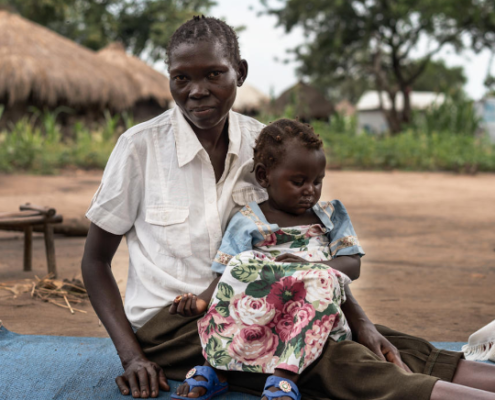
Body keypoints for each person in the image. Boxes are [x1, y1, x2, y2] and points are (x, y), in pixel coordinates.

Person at [81, 15, 495, 400]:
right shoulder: (139, 149)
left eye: (214, 74)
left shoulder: (268, 146)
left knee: (383, 342)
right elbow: (95, 262)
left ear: (239, 73)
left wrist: (360, 320)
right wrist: (132, 356)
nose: (196, 90)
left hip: (274, 302)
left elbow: (311, 255)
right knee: (331, 359)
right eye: (181, 78)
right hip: (176, 327)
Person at [170, 119, 362, 400]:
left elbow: (352, 265)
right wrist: (201, 300)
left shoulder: (330, 216)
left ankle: (284, 378)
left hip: (312, 315)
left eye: (317, 181)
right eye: (298, 182)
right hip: (259, 314)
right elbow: (227, 274)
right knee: (242, 264)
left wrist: (308, 268)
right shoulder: (248, 220)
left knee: (320, 278)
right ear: (263, 176)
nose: (310, 189)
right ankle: (216, 368)